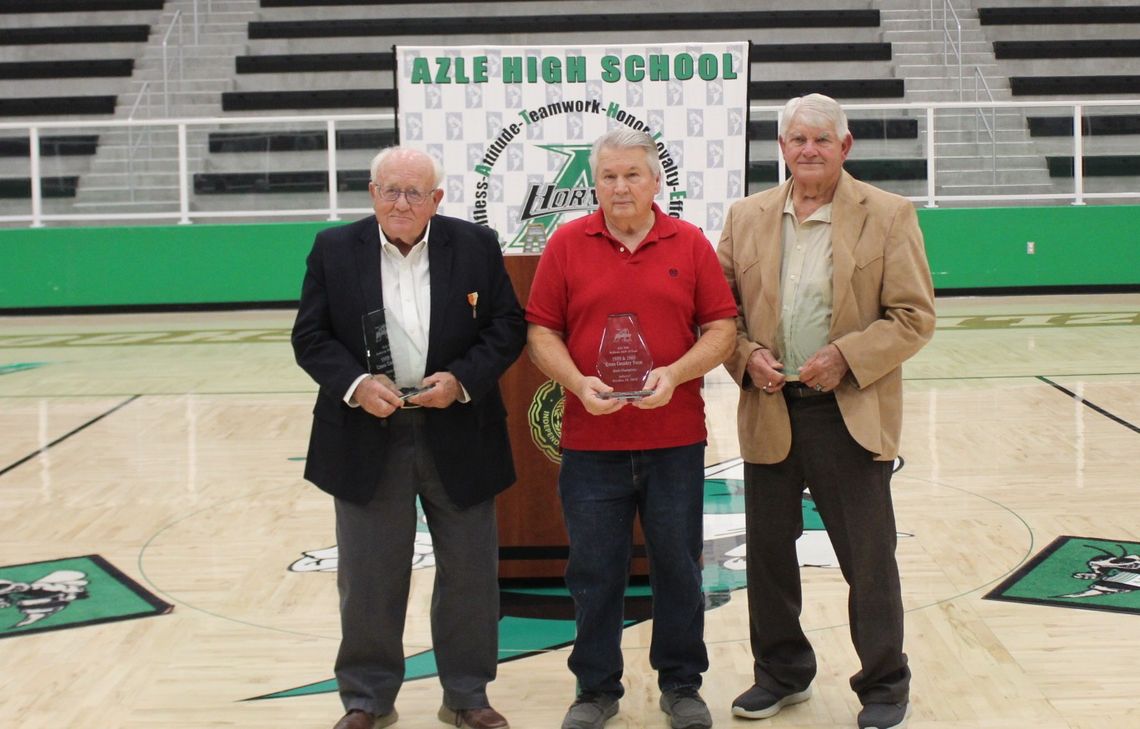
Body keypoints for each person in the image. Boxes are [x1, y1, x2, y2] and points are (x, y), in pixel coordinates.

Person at [717, 94, 936, 729]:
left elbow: (914, 317)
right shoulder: (747, 216)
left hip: (849, 409)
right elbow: (721, 313)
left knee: (867, 557)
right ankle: (782, 674)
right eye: (796, 139)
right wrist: (746, 355)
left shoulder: (889, 215)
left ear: (846, 146)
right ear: (780, 148)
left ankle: (884, 683)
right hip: (770, 406)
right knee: (767, 556)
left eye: (821, 139)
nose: (807, 150)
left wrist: (846, 355)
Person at [291, 146, 526, 729]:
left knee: (470, 572)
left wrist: (463, 381)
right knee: (370, 575)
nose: (401, 202)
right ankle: (367, 699)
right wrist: (354, 384)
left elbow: (507, 326)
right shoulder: (334, 250)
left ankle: (467, 695)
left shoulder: (474, 245)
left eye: (414, 192)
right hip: (366, 433)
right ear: (371, 193)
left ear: (436, 199)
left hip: (460, 429)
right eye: (389, 190)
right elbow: (310, 336)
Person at [526, 128, 738, 729]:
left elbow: (721, 329)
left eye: (632, 175)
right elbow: (541, 332)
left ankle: (682, 685)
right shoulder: (566, 245)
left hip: (674, 440)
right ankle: (595, 690)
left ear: (655, 181)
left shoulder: (690, 243)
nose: (620, 187)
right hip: (591, 444)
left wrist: (674, 374)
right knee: (593, 568)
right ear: (595, 184)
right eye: (609, 176)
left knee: (678, 564)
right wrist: (576, 381)